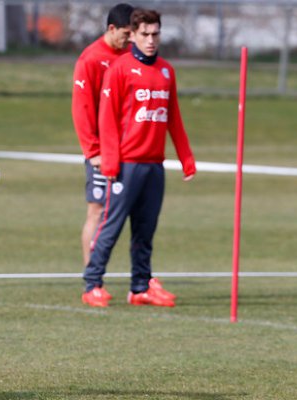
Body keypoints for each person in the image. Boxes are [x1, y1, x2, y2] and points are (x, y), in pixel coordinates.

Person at [81, 8, 196, 308]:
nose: (151, 40)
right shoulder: (119, 69)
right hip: (126, 164)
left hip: (154, 165)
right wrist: (109, 160)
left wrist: (186, 158)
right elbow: (106, 119)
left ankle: (140, 286)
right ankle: (92, 284)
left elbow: (174, 118)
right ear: (132, 35)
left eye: (155, 33)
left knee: (145, 230)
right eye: (145, 34)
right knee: (112, 225)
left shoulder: (166, 70)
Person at [72, 3, 134, 298]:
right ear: (112, 29)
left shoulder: (130, 57)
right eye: (126, 33)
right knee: (97, 209)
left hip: (129, 150)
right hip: (101, 151)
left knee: (129, 212)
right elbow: (82, 109)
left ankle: (140, 279)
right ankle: (92, 279)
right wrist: (93, 150)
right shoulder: (91, 59)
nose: (130, 39)